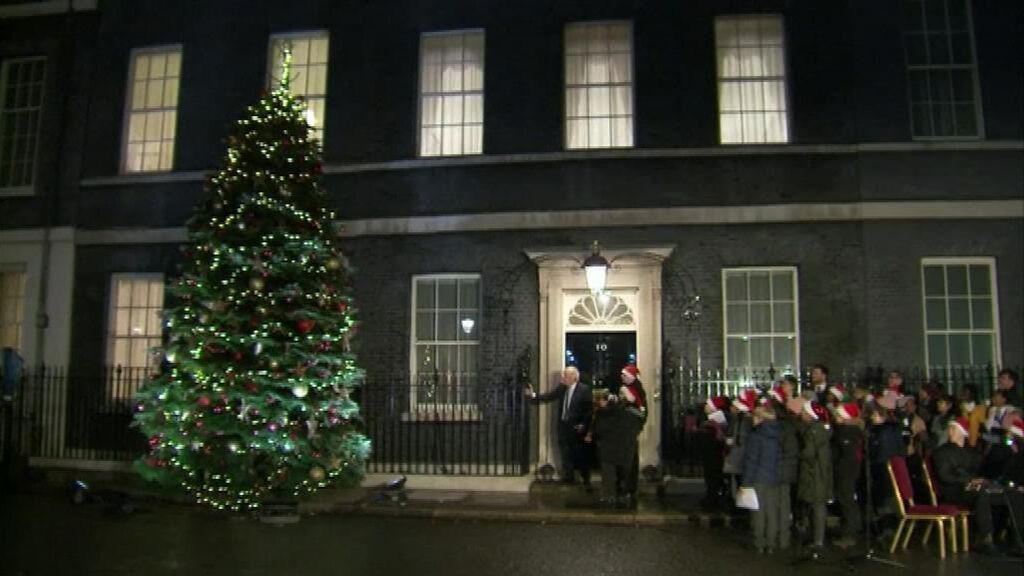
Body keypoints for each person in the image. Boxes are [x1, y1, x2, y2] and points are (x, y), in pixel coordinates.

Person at [932, 416, 996, 553]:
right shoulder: (942, 452)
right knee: (981, 492)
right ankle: (986, 537)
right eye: (949, 428)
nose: (949, 431)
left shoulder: (972, 453)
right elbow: (944, 476)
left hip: (968, 488)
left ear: (961, 431)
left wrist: (977, 480)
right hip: (952, 491)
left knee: (997, 493)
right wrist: (968, 481)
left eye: (953, 428)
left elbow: (980, 471)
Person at [525, 366, 593, 486]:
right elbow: (549, 396)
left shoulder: (584, 390)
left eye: (565, 375)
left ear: (574, 377)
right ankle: (569, 478)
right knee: (565, 453)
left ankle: (585, 478)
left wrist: (583, 424)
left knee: (580, 454)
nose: (562, 378)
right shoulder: (562, 388)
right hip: (563, 426)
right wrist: (533, 395)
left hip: (577, 427)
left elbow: (589, 410)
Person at [587, 389, 641, 507]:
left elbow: (599, 429)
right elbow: (637, 428)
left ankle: (609, 497)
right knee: (624, 474)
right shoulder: (633, 414)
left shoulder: (604, 414)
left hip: (608, 448)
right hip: (626, 448)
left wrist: (594, 435)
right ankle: (623, 495)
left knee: (609, 474)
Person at [741, 405, 783, 554]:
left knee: (758, 513)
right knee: (772, 512)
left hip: (758, 478)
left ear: (760, 418)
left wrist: (746, 483)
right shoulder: (778, 434)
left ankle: (759, 542)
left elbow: (752, 460)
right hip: (773, 478)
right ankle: (771, 543)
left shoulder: (756, 436)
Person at [797, 399, 832, 556]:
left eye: (804, 412)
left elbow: (809, 453)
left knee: (817, 506)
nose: (801, 414)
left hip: (814, 473)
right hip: (821, 472)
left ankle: (818, 540)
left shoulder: (813, 431)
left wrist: (799, 455)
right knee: (818, 505)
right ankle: (818, 538)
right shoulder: (823, 430)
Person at [831, 402, 864, 549]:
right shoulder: (852, 431)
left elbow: (846, 455)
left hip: (846, 471)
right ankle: (851, 530)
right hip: (849, 470)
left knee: (846, 500)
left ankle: (850, 534)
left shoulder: (847, 432)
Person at [616, 364, 647, 503]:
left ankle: (626, 487)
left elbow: (632, 403)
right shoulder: (637, 389)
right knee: (631, 458)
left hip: (628, 429)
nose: (621, 377)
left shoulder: (631, 390)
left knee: (627, 459)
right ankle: (629, 487)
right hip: (630, 428)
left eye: (624, 375)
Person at [700, 396, 730, 509]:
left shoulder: (714, 423)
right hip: (712, 455)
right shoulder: (712, 422)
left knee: (713, 478)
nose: (705, 406)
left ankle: (713, 499)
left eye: (708, 404)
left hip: (713, 456)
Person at [958, 384, 989, 449]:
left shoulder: (981, 408)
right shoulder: (959, 408)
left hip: (977, 440)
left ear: (973, 394)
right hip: (963, 440)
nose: (963, 395)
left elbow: (983, 425)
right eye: (963, 392)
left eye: (966, 393)